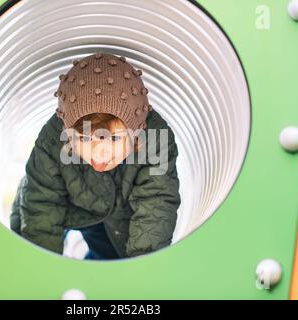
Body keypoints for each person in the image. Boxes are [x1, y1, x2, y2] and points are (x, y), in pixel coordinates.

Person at [10, 52, 181, 260]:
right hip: (68, 204)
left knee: (107, 257)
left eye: (115, 139)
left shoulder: (155, 138)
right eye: (85, 139)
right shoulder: (55, 137)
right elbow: (41, 201)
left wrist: (140, 269)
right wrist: (45, 270)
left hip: (120, 216)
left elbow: (156, 203)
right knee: (28, 235)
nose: (100, 152)